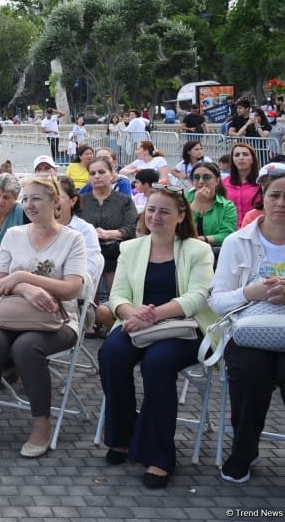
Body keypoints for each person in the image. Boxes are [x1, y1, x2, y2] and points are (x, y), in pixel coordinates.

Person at [210, 170, 285, 498]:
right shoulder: (237, 241)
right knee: (248, 371)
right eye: (274, 196)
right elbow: (216, 301)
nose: (281, 203)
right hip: (248, 331)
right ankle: (243, 452)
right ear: (263, 199)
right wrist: (251, 292)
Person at [98, 188, 216, 488]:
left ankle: (159, 456)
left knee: (157, 364)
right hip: (137, 322)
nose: (155, 216)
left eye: (164, 211)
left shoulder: (197, 250)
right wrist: (132, 314)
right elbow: (118, 295)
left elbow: (198, 297)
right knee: (111, 354)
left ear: (180, 216)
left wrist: (153, 314)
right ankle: (123, 437)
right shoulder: (131, 248)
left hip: (183, 327)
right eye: (151, 209)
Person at [0, 177, 87, 460]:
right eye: (26, 199)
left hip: (57, 319)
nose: (29, 205)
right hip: (10, 314)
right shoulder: (15, 234)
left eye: (37, 199)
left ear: (55, 202)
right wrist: (22, 287)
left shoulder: (73, 239)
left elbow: (72, 288)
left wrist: (23, 277)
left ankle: (41, 424)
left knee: (25, 348)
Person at [79, 156, 139, 307]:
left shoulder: (124, 200)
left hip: (115, 250)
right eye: (92, 173)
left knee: (116, 293)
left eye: (101, 172)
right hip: (87, 252)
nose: (97, 176)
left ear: (111, 174)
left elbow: (132, 227)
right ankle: (89, 321)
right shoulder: (81, 200)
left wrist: (109, 233)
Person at [185, 163, 238, 249]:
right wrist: (196, 203)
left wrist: (203, 239)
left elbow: (227, 233)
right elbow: (180, 227)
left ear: (217, 181)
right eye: (197, 177)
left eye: (206, 177)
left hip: (214, 251)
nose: (201, 181)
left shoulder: (227, 206)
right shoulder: (182, 200)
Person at [223, 143, 261, 219]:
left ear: (252, 159)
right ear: (232, 160)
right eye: (237, 155)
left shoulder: (261, 182)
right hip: (231, 228)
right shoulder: (224, 182)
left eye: (245, 154)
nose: (241, 158)